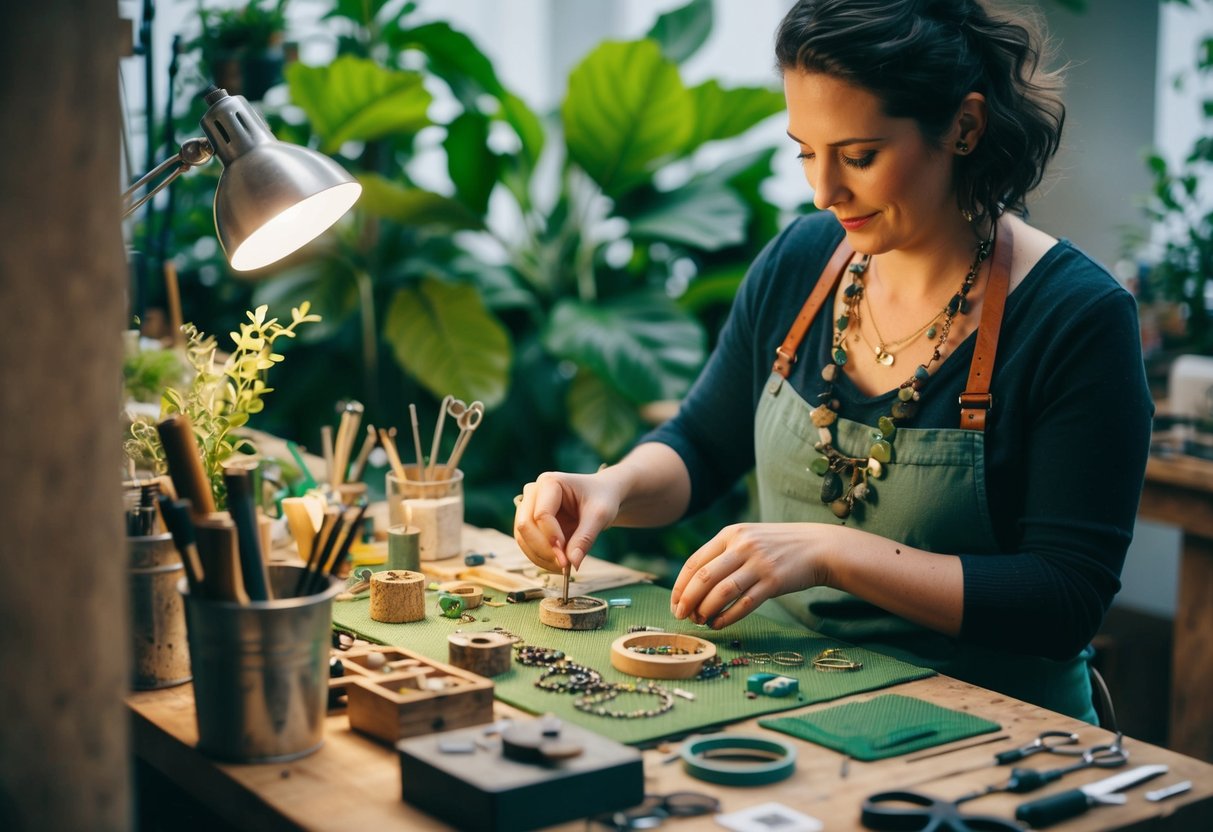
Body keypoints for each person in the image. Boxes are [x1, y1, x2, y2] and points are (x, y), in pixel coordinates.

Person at [513, 0, 1152, 723]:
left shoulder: (1074, 318)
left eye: (858, 156)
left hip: (993, 727)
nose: (823, 192)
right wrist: (609, 489)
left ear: (964, 127)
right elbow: (700, 444)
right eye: (804, 152)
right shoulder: (801, 261)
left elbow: (1063, 600)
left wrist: (832, 553)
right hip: (786, 700)